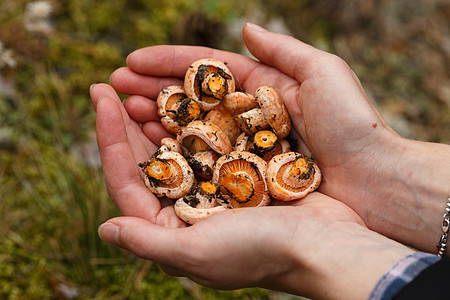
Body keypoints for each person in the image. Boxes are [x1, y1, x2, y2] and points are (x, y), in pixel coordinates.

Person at [90, 23, 450, 299]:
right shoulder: (206, 136)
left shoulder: (270, 147)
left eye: (216, 83)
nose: (215, 89)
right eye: (210, 85)